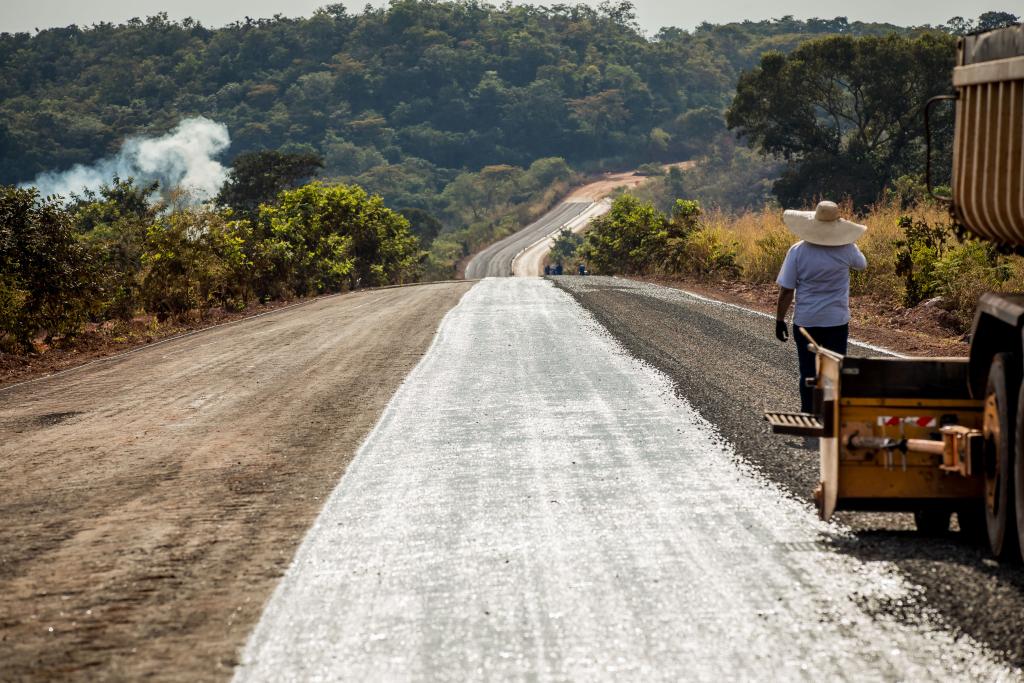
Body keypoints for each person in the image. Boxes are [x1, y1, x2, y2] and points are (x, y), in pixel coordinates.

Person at [775, 200, 867, 415]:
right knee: (834, 370)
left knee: (807, 371)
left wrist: (780, 319)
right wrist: (849, 241)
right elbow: (862, 264)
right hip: (836, 321)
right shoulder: (847, 249)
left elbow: (786, 290)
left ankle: (808, 412)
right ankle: (831, 413)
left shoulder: (798, 251)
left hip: (806, 321)